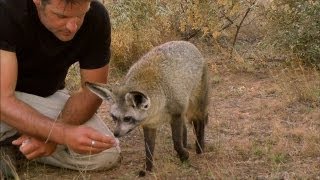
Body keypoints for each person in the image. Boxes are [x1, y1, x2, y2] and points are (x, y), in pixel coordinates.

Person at [0, 0, 120, 178]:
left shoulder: (96, 15)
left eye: (80, 15)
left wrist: (54, 134)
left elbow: (92, 93)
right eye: (61, 16)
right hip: (5, 97)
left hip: (42, 99)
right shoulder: (7, 9)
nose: (72, 27)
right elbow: (3, 100)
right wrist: (60, 134)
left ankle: (13, 144)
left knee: (104, 153)